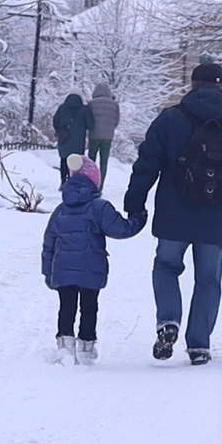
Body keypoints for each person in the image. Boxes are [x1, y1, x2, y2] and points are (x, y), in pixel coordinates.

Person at [122, 63, 222, 365]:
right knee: (209, 280)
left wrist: (135, 201)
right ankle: (199, 344)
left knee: (166, 266)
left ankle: (168, 322)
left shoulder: (170, 119)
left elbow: (146, 163)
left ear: (193, 84)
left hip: (173, 214)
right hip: (217, 218)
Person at [43, 154, 146, 365]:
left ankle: (65, 346)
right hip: (91, 269)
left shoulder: (60, 211)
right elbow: (122, 229)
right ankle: (86, 348)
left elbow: (49, 244)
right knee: (89, 307)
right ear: (94, 182)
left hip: (63, 270)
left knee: (66, 307)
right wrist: (139, 218)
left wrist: (48, 272)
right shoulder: (99, 208)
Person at [52, 91, 93, 185]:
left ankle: (63, 181)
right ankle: (74, 182)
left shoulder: (62, 108)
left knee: (64, 160)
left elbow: (55, 122)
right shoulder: (84, 109)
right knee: (77, 162)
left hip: (64, 139)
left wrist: (60, 130)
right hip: (78, 142)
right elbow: (90, 125)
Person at [86, 83, 120, 190]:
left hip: (94, 136)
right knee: (104, 161)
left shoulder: (91, 104)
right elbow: (116, 120)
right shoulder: (114, 105)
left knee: (91, 161)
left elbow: (88, 119)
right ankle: (100, 186)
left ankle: (90, 183)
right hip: (107, 136)